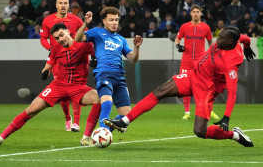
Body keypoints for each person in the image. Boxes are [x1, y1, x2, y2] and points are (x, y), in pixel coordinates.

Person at [104, 27, 255, 147]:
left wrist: (226, 117)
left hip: (206, 89)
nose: (217, 39)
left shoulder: (231, 63)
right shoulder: (233, 37)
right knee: (160, 90)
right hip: (193, 76)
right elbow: (245, 38)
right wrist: (247, 46)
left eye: (221, 38)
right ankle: (124, 122)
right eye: (219, 35)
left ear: (230, 42)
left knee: (200, 131)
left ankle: (235, 135)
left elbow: (233, 92)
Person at [0, 23, 101, 146]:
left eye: (61, 35)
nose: (60, 39)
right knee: (30, 111)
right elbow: (48, 66)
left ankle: (85, 139)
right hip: (58, 86)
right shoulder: (55, 48)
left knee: (98, 98)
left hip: (78, 87)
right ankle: (0, 138)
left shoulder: (83, 44)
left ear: (67, 31)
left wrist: (96, 60)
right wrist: (45, 72)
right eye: (57, 38)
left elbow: (98, 53)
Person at [75, 7, 143, 131]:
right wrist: (85, 23)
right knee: (107, 102)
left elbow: (133, 60)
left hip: (119, 77)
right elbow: (77, 38)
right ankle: (102, 133)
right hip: (104, 73)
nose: (114, 23)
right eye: (111, 20)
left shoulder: (121, 39)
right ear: (104, 21)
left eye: (116, 20)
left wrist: (136, 47)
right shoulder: (97, 32)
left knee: (126, 115)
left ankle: (105, 132)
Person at [40, 0, 88, 132]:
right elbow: (43, 38)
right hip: (58, 60)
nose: (63, 5)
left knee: (77, 88)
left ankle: (77, 123)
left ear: (69, 6)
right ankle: (68, 118)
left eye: (65, 3)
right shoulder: (48, 21)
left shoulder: (77, 20)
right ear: (56, 5)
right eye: (60, 3)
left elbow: (85, 36)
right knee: (62, 90)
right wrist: (51, 49)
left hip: (75, 58)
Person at [174, 4, 219, 120]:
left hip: (200, 61)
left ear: (201, 13)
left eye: (197, 12)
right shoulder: (184, 26)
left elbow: (210, 42)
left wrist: (212, 55)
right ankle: (187, 113)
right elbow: (178, 38)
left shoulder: (206, 28)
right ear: (190, 13)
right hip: (186, 60)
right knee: (185, 86)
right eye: (193, 11)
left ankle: (210, 110)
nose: (195, 13)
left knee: (205, 86)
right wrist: (178, 45)